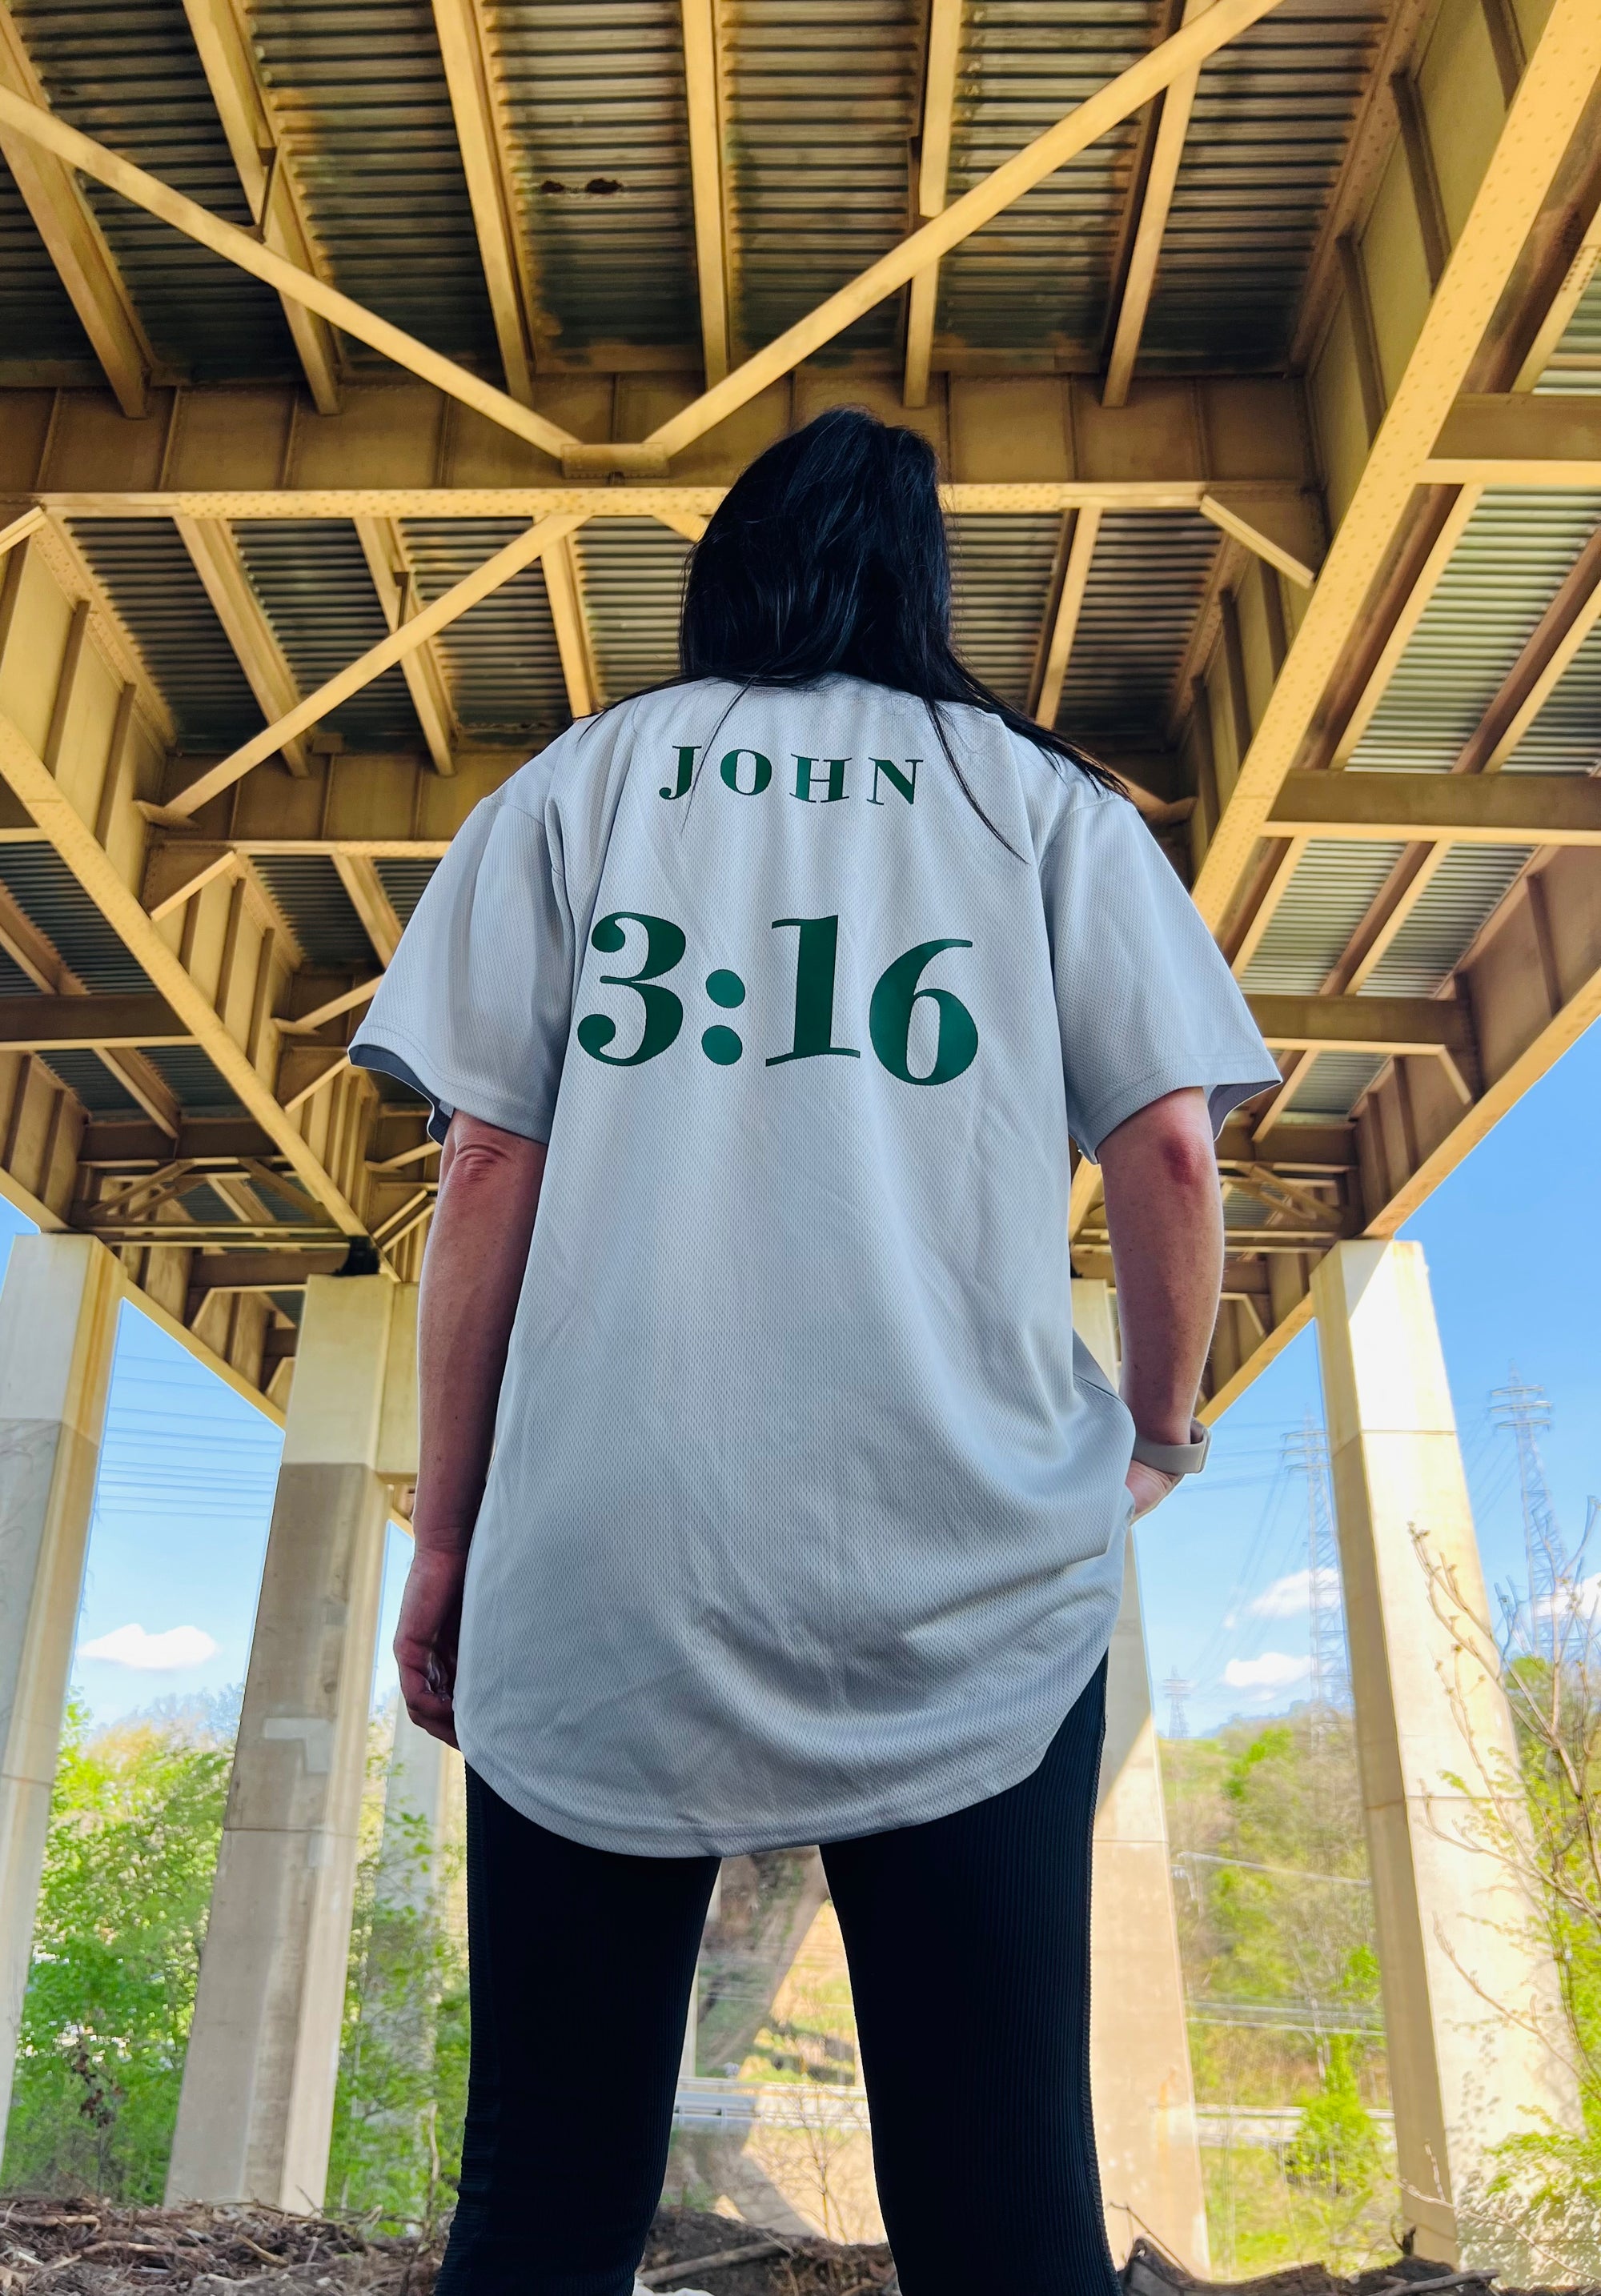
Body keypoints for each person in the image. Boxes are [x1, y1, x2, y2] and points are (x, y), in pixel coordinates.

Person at [350, 407, 1279, 2296]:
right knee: (1002, 2188)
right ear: (923, 585)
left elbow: (486, 1163)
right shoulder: (1048, 804)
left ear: (726, 570)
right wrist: (1158, 1436)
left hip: (606, 1559)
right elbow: (1170, 1147)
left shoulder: (579, 785)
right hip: (961, 1571)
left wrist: (450, 1539)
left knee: (544, 2183)